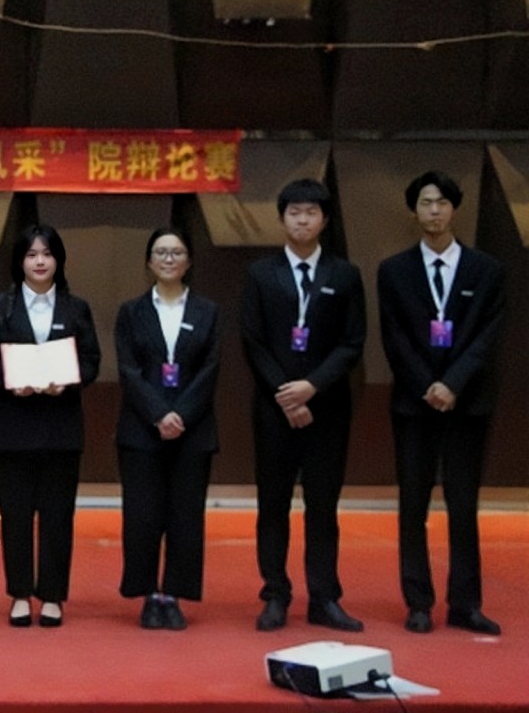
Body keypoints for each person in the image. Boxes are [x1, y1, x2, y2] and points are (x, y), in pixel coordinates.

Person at [377, 171, 505, 635]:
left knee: (463, 504)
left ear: (454, 209)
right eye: (426, 203)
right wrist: (427, 385)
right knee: (413, 503)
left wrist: (451, 384)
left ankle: (465, 604)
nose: (434, 210)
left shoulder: (486, 270)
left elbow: (487, 336)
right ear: (414, 211)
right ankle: (418, 602)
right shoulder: (394, 270)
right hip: (415, 404)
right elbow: (394, 337)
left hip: (467, 403)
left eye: (442, 203)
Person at [241, 178, 366, 633]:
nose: (302, 220)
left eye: (311, 212)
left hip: (327, 408)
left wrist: (311, 387)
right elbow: (253, 340)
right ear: (281, 219)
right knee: (272, 505)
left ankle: (324, 597)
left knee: (322, 506)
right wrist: (287, 393)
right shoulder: (260, 274)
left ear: (324, 220)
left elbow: (352, 342)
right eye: (294, 212)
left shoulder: (344, 275)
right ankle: (275, 594)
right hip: (274, 409)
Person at [0, 224, 100, 628]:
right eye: (32, 255)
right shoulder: (0, 306)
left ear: (59, 259)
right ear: (20, 262)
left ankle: (52, 595)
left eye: (47, 254)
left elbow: (92, 361)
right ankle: (19, 593)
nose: (40, 261)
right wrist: (11, 380)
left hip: (61, 428)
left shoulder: (76, 308)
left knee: (58, 515)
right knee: (15, 515)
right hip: (13, 426)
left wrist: (69, 379)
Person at [114, 227, 220, 630]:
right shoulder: (131, 312)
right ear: (149, 261)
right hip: (142, 430)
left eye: (177, 252)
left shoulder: (208, 311)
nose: (169, 259)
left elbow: (210, 369)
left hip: (193, 431)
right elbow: (128, 369)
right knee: (142, 516)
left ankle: (172, 595)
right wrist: (159, 414)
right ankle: (147, 594)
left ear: (188, 261)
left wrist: (182, 415)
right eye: (161, 252)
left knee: (185, 518)